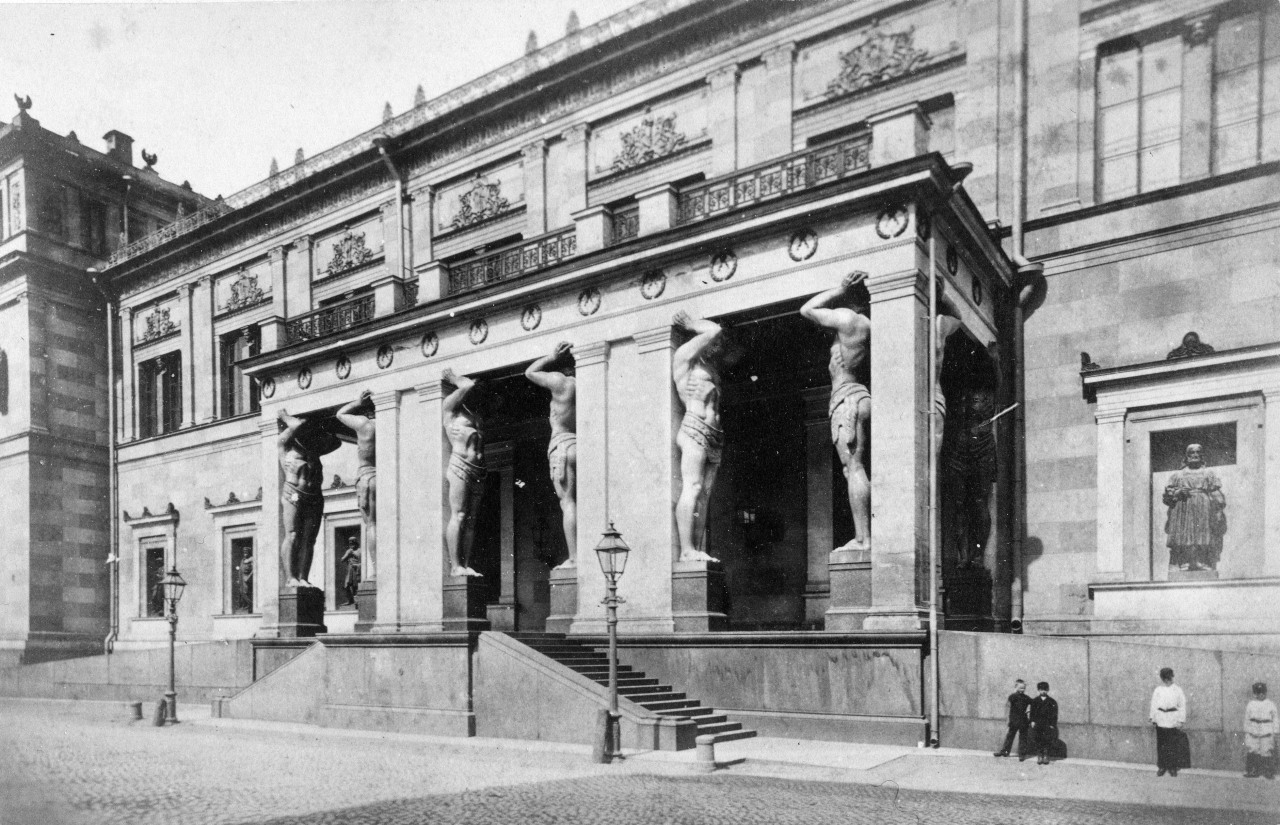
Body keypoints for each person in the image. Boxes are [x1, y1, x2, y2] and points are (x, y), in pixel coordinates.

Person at [799, 272, 871, 552]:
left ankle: (863, 538)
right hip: (859, 393)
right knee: (857, 466)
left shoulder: (848, 318)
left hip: (846, 397)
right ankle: (864, 535)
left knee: (853, 467)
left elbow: (807, 310)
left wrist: (838, 289)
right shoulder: (868, 326)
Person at [672, 311, 726, 563]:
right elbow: (713, 330)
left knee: (704, 494)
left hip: (714, 434)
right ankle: (686, 549)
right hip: (694, 427)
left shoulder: (709, 368)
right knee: (692, 487)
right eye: (714, 343)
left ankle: (696, 548)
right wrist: (692, 324)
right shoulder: (684, 359)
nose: (717, 345)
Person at [526, 342, 577, 568]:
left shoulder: (561, 382)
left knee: (568, 503)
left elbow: (530, 372)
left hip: (562, 444)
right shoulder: (585, 383)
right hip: (580, 444)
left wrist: (550, 356)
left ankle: (575, 557)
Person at [278, 409, 335, 588]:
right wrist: (287, 417)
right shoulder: (285, 446)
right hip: (293, 493)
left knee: (309, 540)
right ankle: (291, 577)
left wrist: (316, 428)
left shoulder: (315, 450)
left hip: (314, 496)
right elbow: (296, 425)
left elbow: (336, 442)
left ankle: (303, 576)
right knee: (293, 535)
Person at [442, 369, 485, 577]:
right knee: (458, 514)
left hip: (479, 469)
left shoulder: (476, 416)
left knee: (471, 519)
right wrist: (454, 379)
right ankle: (455, 565)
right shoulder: (451, 411)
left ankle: (465, 564)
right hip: (459, 465)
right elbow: (467, 386)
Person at [1162, 443, 1227, 571]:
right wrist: (1177, 492)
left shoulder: (1208, 473)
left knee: (1202, 533)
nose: (1195, 455)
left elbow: (1216, 493)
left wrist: (1219, 510)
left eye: (1198, 452)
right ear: (1187, 456)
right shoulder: (1178, 475)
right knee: (1184, 534)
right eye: (1192, 453)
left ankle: (1201, 561)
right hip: (1183, 507)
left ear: (1202, 455)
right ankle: (1185, 561)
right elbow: (1167, 497)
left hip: (1203, 506)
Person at [335, 390, 377, 581]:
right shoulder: (392, 421)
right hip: (389, 476)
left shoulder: (364, 425)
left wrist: (358, 401)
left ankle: (377, 570)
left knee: (372, 525)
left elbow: (340, 414)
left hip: (368, 475)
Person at [1149, 666, 1190, 777]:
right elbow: (1154, 704)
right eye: (1165, 678)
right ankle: (1162, 766)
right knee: (1161, 744)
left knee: (1172, 745)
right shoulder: (1158, 690)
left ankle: (1172, 767)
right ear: (1163, 678)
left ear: (1171, 677)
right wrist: (1153, 717)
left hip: (1172, 718)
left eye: (1169, 678)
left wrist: (1181, 720)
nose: (1167, 680)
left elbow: (1182, 706)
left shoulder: (1177, 690)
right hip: (1161, 718)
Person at [1244, 681, 1278, 779]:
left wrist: (1275, 731)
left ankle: (1268, 771)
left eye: (1263, 692)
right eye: (1258, 693)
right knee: (1253, 750)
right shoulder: (1251, 704)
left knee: (1266, 750)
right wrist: (1247, 731)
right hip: (1253, 731)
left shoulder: (1270, 704)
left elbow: (1275, 718)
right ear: (1255, 694)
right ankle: (1253, 770)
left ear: (1265, 693)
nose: (1261, 695)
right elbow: (1247, 718)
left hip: (1266, 730)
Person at [994, 679, 1032, 759]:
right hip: (1014, 720)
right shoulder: (1012, 697)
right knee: (1009, 736)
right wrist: (1008, 719)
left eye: (1024, 688)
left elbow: (1033, 704)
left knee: (1023, 738)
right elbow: (1008, 708)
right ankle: (1005, 751)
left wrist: (1029, 712)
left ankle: (1022, 754)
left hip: (1023, 721)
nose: (1022, 690)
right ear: (1016, 687)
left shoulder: (1027, 698)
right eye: (1021, 688)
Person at [1028, 681, 1059, 765]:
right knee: (1038, 739)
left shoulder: (1052, 702)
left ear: (1048, 690)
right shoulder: (1035, 701)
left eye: (1045, 689)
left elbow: (1054, 714)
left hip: (1047, 724)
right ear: (1038, 690)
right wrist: (1032, 721)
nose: (1043, 691)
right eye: (1041, 690)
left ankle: (1045, 755)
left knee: (1046, 740)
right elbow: (1032, 713)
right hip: (1038, 724)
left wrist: (1053, 724)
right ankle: (1039, 755)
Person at [339, 537, 361, 608]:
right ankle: (350, 600)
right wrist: (348, 554)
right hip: (349, 570)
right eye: (350, 543)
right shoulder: (349, 551)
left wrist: (356, 564)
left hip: (356, 570)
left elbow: (362, 561)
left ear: (356, 543)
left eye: (353, 543)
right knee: (347, 585)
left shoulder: (359, 550)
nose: (352, 545)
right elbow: (342, 560)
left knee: (355, 586)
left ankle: (357, 602)